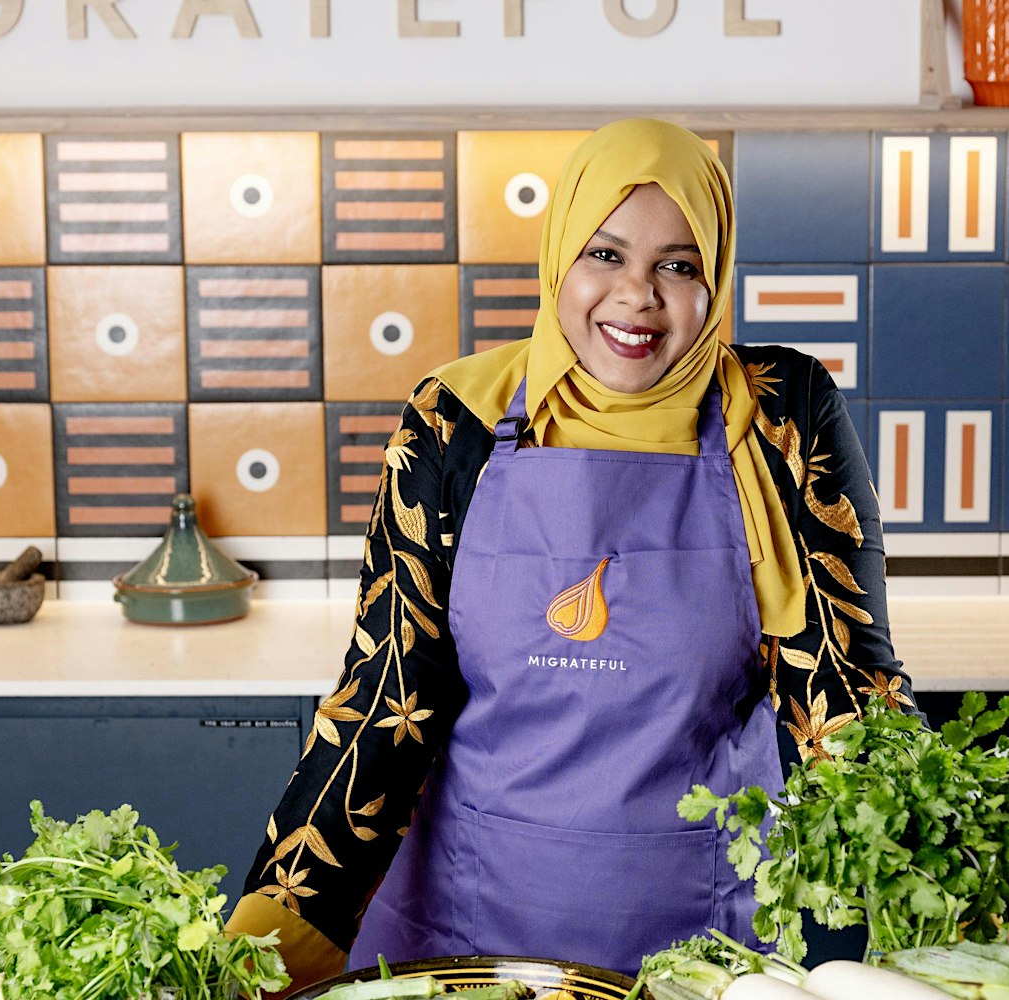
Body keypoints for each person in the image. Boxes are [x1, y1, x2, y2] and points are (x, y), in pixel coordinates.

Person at [226, 118, 915, 990]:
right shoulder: (456, 416)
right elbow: (386, 700)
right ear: (559, 258)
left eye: (678, 265)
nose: (637, 296)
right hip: (467, 938)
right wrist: (259, 951)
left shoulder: (779, 414)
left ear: (715, 276)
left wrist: (938, 887)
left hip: (698, 952)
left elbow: (845, 685)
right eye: (605, 254)